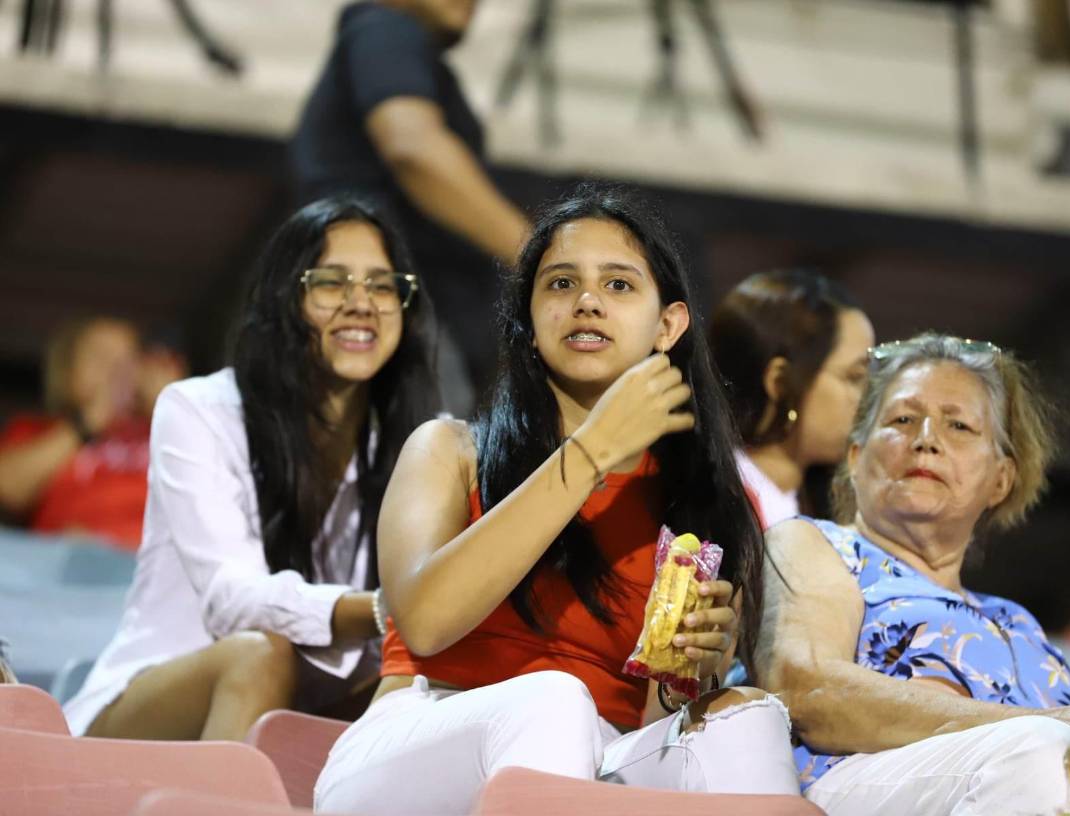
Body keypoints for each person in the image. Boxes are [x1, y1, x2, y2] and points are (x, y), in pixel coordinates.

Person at [314, 186, 799, 816]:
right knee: (554, 700)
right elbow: (426, 624)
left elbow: (655, 722)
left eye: (618, 285)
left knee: (747, 718)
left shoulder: (705, 502)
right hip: (416, 741)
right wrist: (592, 452)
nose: (588, 302)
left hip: (594, 759)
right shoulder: (449, 450)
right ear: (529, 319)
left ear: (668, 326)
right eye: (562, 284)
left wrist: (693, 671)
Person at [61, 196, 439, 740]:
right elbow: (231, 597)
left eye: (382, 286)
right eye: (331, 283)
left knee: (427, 684)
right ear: (286, 298)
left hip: (301, 712)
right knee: (260, 654)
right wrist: (388, 609)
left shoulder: (422, 444)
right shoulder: (199, 410)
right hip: (150, 706)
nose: (361, 303)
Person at [755, 333, 1070, 816]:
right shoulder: (816, 545)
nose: (926, 439)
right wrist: (1035, 725)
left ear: (1000, 479)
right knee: (1043, 751)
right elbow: (806, 689)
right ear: (855, 457)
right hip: (854, 784)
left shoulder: (1020, 623)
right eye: (902, 419)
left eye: (958, 425)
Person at [290, 0, 529, 406]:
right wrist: (539, 254)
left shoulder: (390, 45)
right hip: (394, 324)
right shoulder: (385, 30)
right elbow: (412, 147)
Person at [0, 317, 185, 550]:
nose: (118, 371)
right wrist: (88, 421)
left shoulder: (167, 432)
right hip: (58, 560)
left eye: (129, 359)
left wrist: (176, 408)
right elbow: (8, 491)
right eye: (101, 357)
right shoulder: (39, 430)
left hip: (147, 559)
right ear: (67, 371)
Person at [710, 270, 874, 527]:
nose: (869, 397)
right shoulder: (711, 507)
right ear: (780, 382)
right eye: (855, 377)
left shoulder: (824, 506)